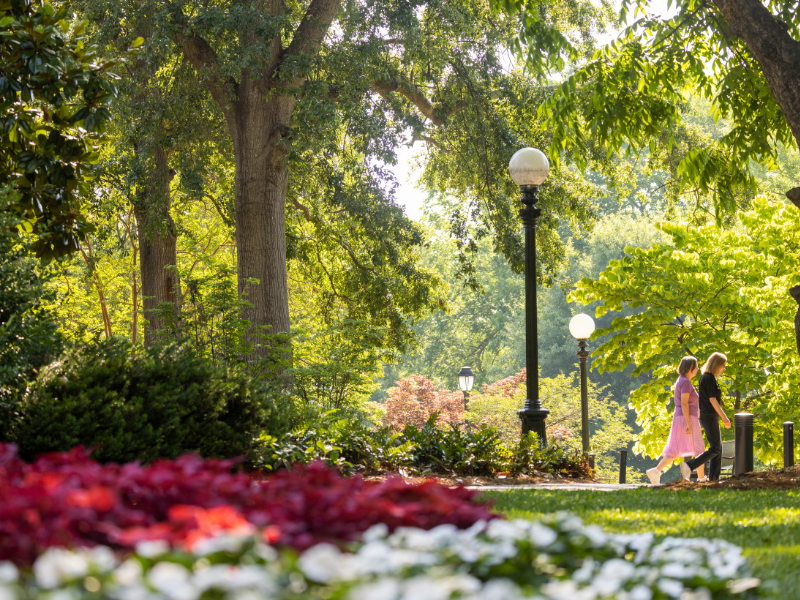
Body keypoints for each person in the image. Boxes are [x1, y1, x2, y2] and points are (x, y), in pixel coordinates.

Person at [646, 356, 706, 485]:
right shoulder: (685, 382)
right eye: (695, 366)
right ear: (689, 367)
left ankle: (656, 471)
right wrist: (689, 423)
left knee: (676, 449)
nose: (697, 368)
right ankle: (701, 479)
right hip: (686, 418)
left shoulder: (682, 380)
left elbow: (688, 404)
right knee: (699, 449)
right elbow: (684, 404)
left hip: (684, 418)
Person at [680, 352, 732, 482]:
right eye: (723, 366)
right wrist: (725, 417)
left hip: (709, 417)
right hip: (709, 417)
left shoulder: (708, 378)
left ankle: (714, 478)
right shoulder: (708, 378)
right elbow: (713, 400)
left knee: (717, 449)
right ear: (716, 364)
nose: (724, 369)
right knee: (715, 448)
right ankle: (689, 465)